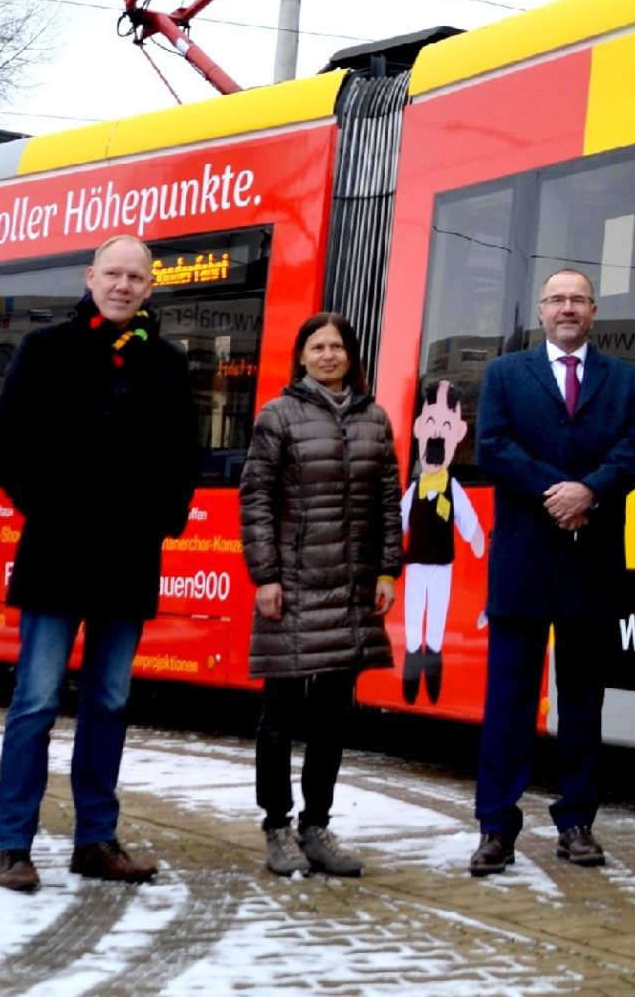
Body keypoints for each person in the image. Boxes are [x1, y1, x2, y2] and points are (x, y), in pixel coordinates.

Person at [0, 233, 203, 892]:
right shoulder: (45, 348)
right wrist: (47, 508)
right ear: (91, 277)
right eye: (113, 272)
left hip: (127, 559)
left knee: (109, 702)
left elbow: (183, 459)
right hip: (56, 553)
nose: (123, 284)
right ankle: (15, 845)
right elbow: (4, 444)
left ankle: (95, 840)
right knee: (36, 702)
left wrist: (160, 522)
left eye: (136, 276)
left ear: (149, 287)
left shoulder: (166, 362)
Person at [467, 267, 635, 875]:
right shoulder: (504, 374)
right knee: (509, 705)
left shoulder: (625, 379)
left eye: (578, 299)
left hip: (591, 565)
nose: (567, 308)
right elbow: (492, 446)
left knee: (582, 704)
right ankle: (496, 828)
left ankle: (577, 821)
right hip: (524, 566)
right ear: (541, 311)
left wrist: (593, 491)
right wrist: (560, 491)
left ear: (594, 311)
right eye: (557, 300)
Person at [239, 311, 402, 878]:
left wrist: (387, 571)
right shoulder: (277, 416)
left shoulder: (375, 419)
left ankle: (316, 826)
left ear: (351, 356)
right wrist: (266, 576)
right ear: (301, 356)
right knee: (281, 711)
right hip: (293, 586)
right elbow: (256, 499)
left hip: (351, 588)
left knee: (333, 714)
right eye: (318, 347)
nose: (329, 355)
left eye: (338, 347)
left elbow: (388, 502)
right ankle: (276, 826)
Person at [400, 380, 487, 706]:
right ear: (420, 429)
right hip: (417, 563)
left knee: (435, 618)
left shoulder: (453, 488)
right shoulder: (416, 488)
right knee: (413, 615)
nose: (436, 435)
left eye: (445, 427)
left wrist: (478, 538)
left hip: (443, 565)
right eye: (432, 425)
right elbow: (400, 519)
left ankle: (432, 671)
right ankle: (411, 666)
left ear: (458, 433)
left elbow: (468, 522)